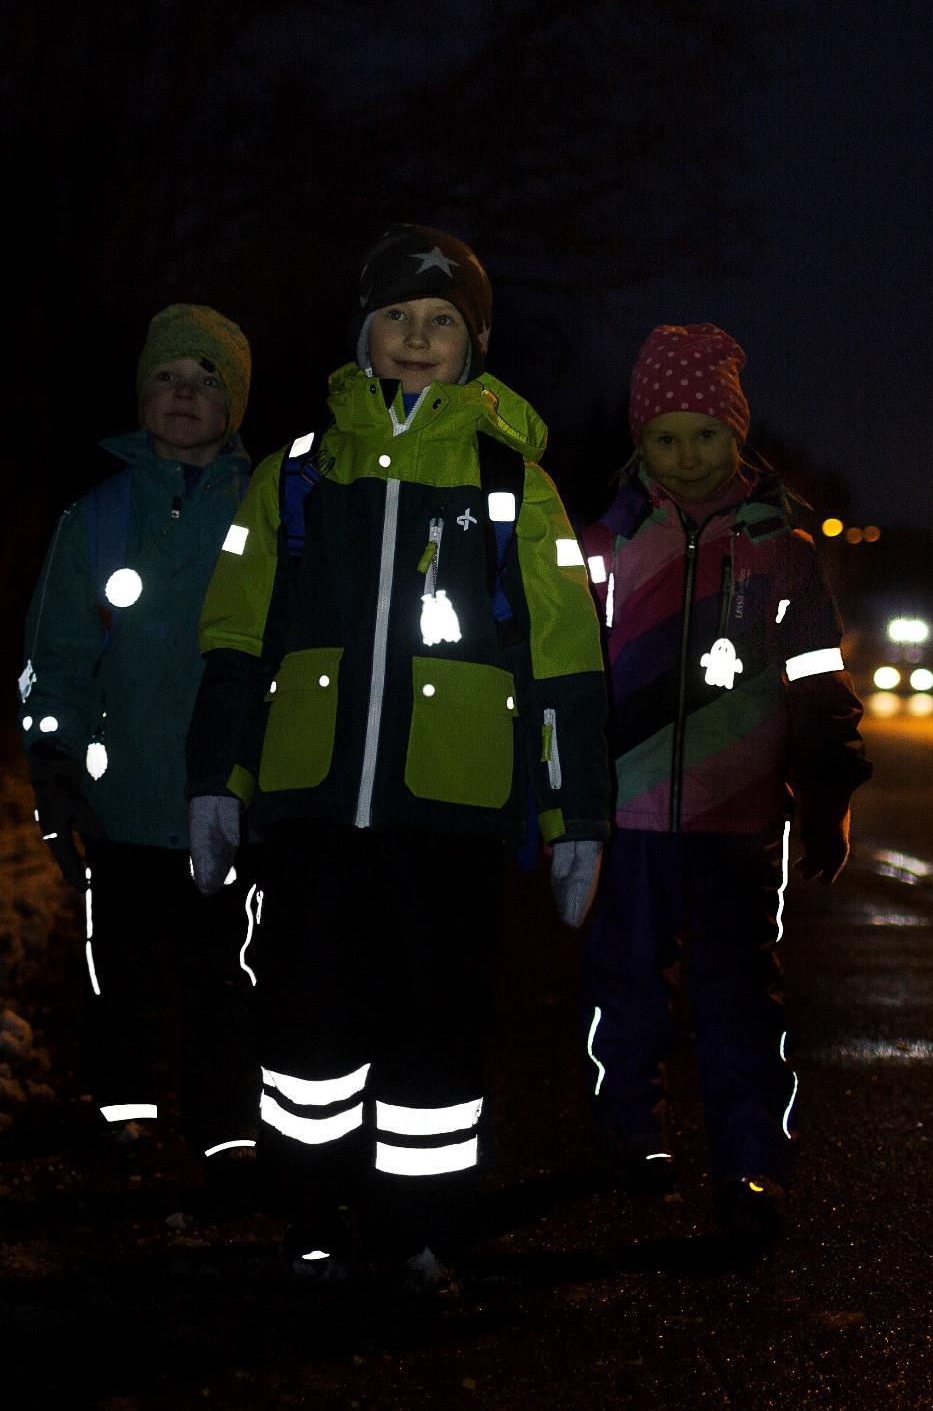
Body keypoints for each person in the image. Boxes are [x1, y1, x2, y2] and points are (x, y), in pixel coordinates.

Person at [185, 224, 610, 1289]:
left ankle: (419, 1229)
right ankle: (311, 1212)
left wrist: (576, 818)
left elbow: (564, 666)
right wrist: (214, 782)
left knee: (437, 1023)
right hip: (312, 809)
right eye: (396, 319)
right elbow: (239, 637)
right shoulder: (293, 474)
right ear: (362, 335)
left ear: (471, 347)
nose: (417, 340)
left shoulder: (515, 483)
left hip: (451, 818)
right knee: (305, 1021)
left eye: (440, 323)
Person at [578, 322, 871, 1242]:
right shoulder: (606, 542)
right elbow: (562, 670)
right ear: (639, 443)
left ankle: (751, 1165)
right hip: (625, 817)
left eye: (705, 433)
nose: (686, 454)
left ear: (736, 434)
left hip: (739, 821)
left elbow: (821, 683)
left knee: (738, 996)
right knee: (623, 985)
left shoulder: (780, 548)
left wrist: (825, 801)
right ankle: (629, 1134)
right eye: (663, 436)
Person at [20, 303, 259, 1184]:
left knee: (226, 966)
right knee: (119, 964)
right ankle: (124, 1108)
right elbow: (59, 650)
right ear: (139, 393)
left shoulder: (271, 505)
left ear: (234, 398)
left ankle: (228, 1121)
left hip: (235, 796)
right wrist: (52, 756)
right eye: (166, 376)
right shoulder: (95, 515)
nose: (183, 393)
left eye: (205, 377)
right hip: (118, 801)